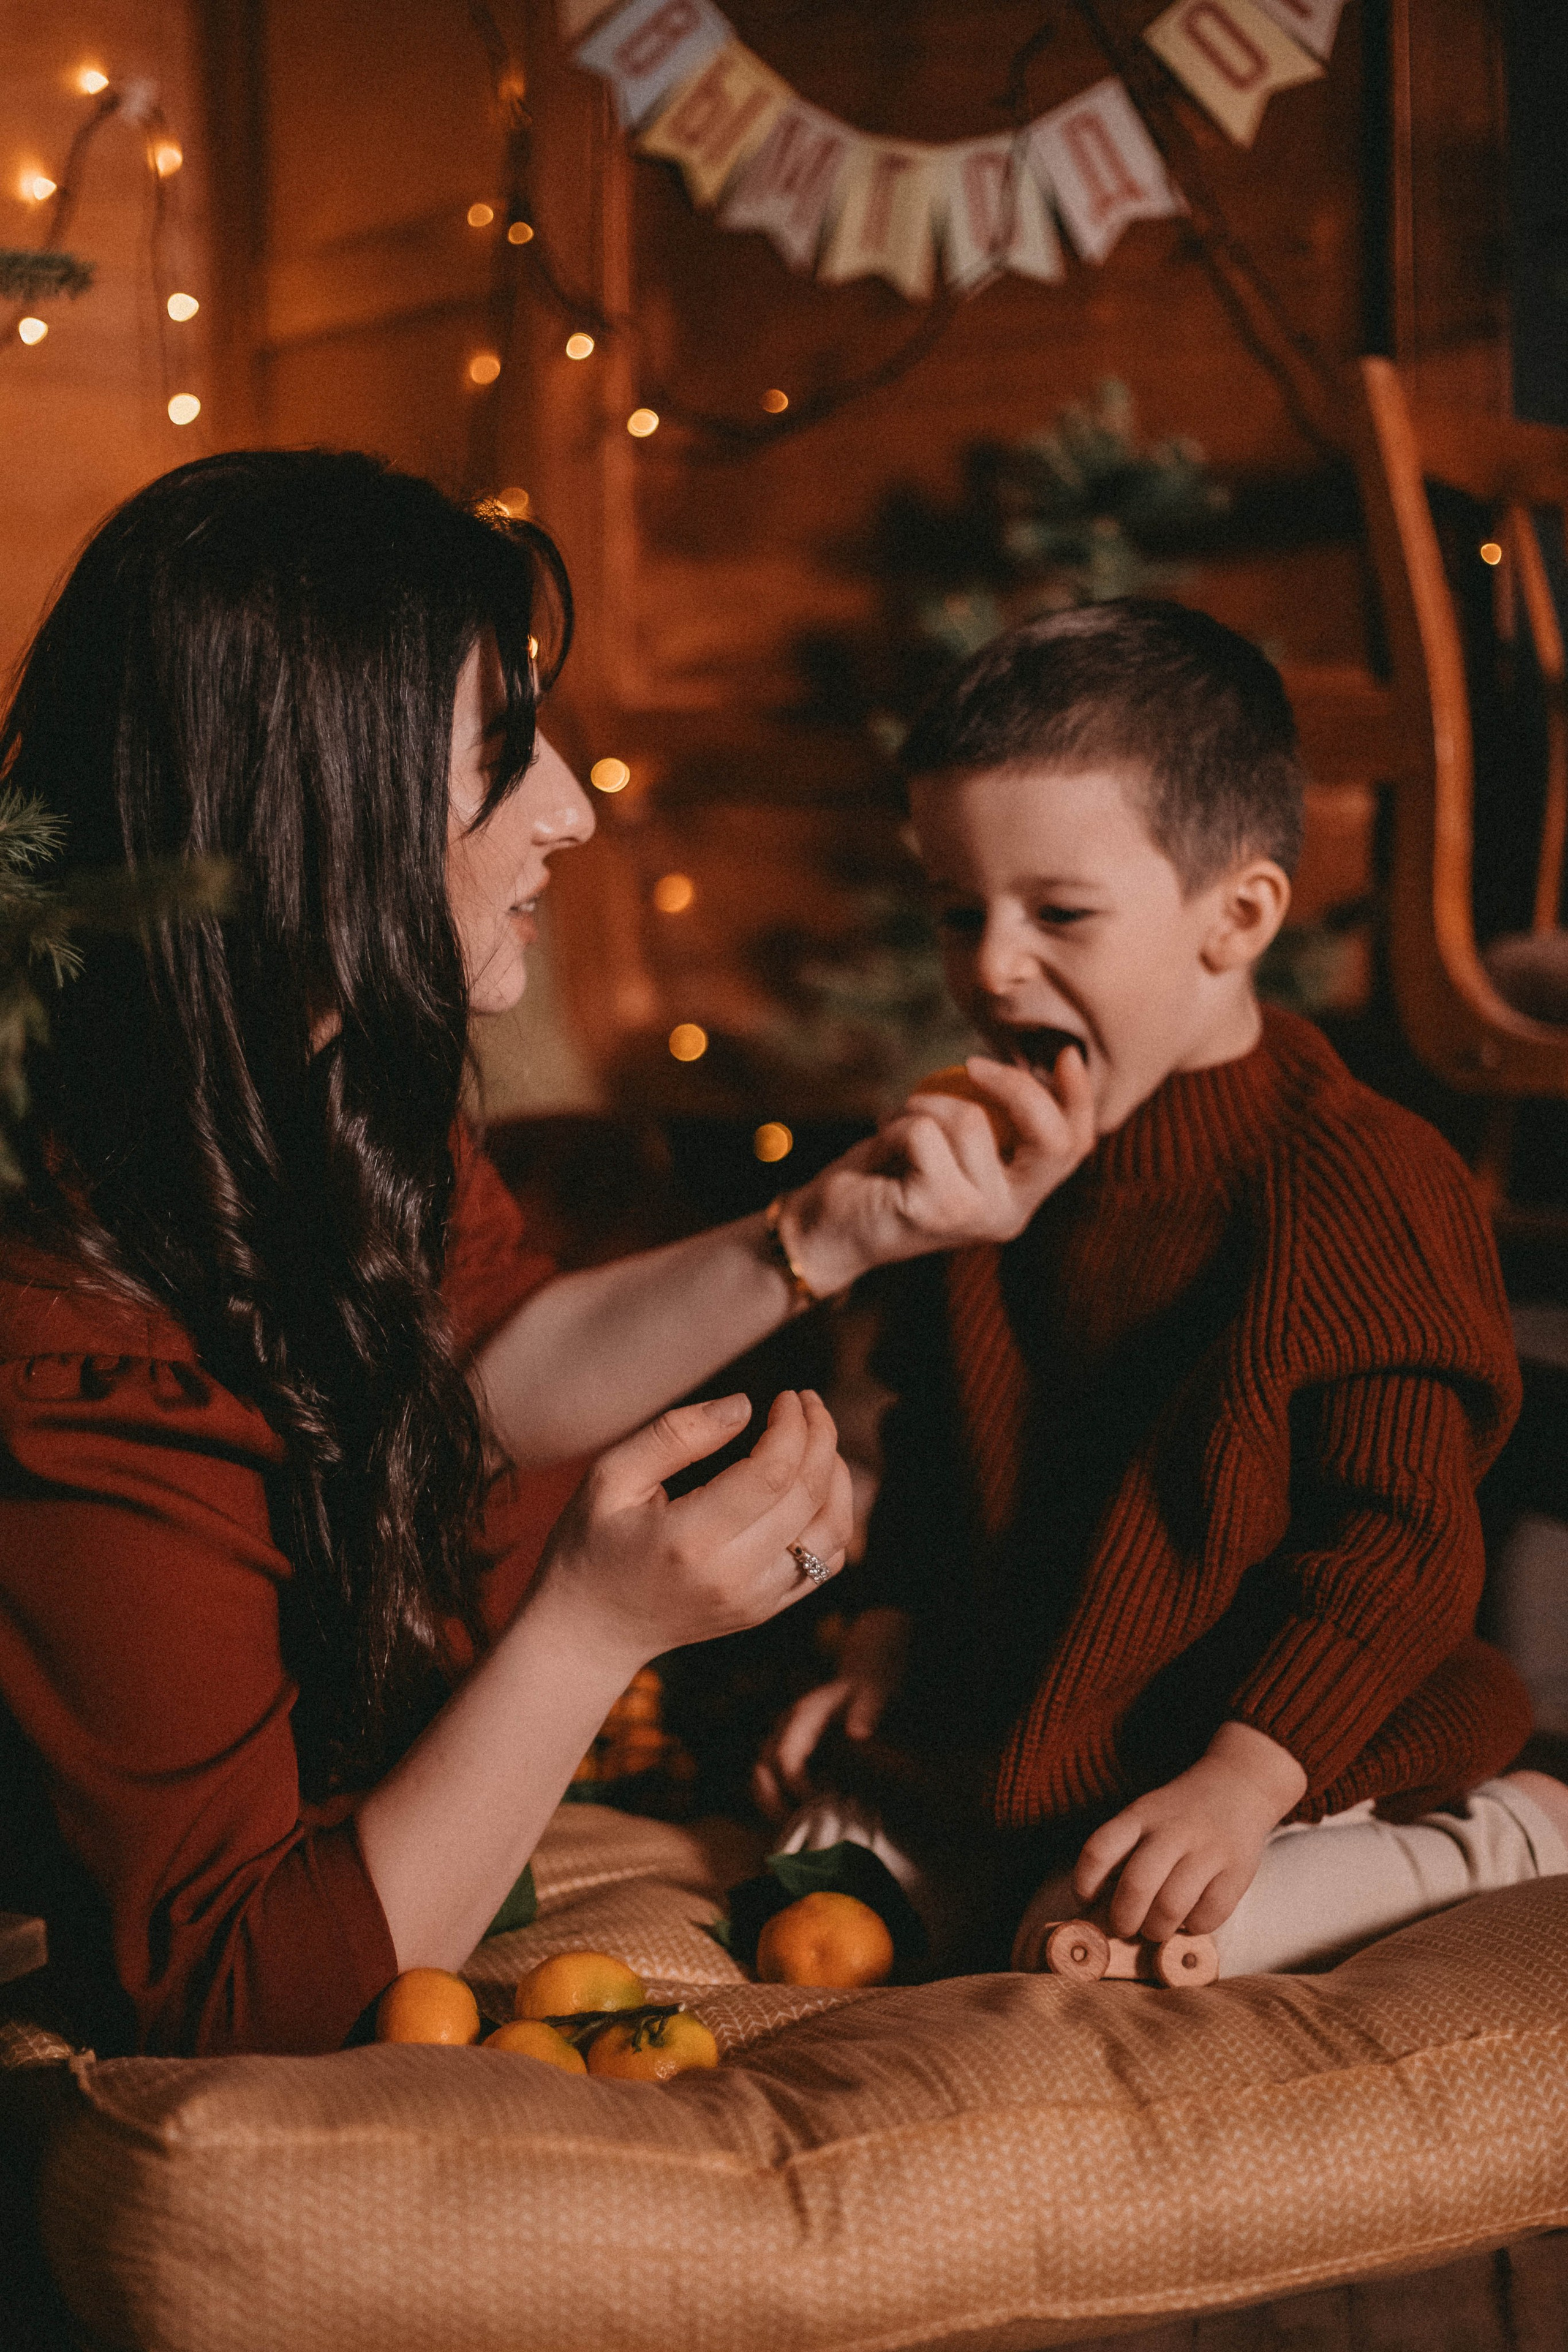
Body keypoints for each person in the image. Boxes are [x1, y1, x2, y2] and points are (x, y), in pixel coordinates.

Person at [0, 450, 1099, 2057]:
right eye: (503, 757)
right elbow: (232, 1991)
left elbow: (483, 1373)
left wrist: (829, 1230)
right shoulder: (65, 1326)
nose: (575, 808)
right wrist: (595, 1629)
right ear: (309, 806)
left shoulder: (318, 1084)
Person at [756, 600, 1568, 1975]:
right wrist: (882, 1641)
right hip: (1039, 1727)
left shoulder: (1359, 1179)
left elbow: (1397, 1544)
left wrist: (1245, 1779)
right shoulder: (979, 1167)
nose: (991, 966)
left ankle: (1513, 1831)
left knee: (1098, 1942)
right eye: (958, 912)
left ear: (1235, 917)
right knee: (814, 1882)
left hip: (1299, 1735)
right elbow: (941, 1447)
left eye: (1059, 915)